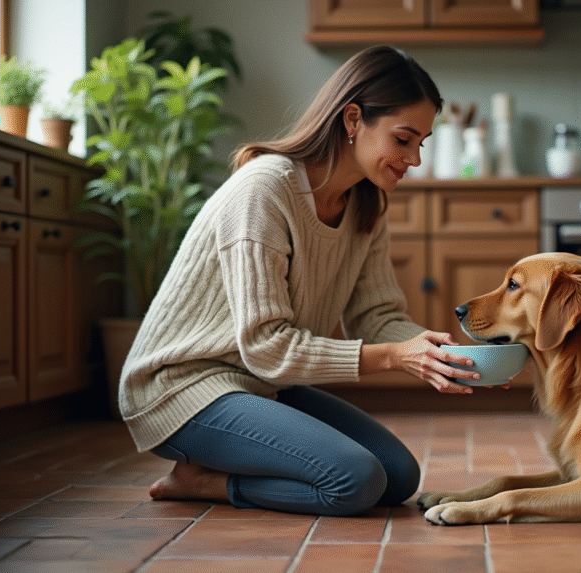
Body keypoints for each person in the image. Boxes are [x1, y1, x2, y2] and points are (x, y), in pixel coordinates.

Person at [119, 45, 482, 517]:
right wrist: (396, 356)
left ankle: (217, 469)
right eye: (403, 139)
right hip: (183, 387)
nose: (414, 158)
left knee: (398, 477)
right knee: (355, 480)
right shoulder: (264, 191)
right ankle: (204, 482)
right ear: (353, 120)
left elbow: (377, 317)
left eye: (422, 143)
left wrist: (444, 356)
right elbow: (267, 346)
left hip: (258, 383)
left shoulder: (366, 203)